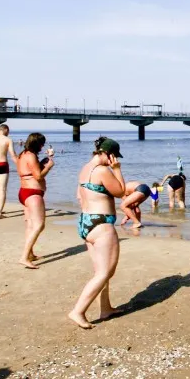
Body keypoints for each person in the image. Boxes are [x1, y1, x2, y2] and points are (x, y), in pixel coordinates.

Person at [70, 137, 125, 329]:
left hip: (87, 222)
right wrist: (117, 170)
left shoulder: (85, 168)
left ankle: (105, 307)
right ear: (108, 154)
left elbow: (79, 195)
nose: (114, 161)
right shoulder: (103, 170)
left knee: (101, 270)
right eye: (114, 157)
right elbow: (120, 192)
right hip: (101, 224)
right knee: (105, 271)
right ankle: (78, 311)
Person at [16, 132, 54, 269]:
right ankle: (24, 257)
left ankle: (30, 254)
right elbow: (38, 176)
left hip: (25, 192)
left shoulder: (23, 154)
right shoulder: (31, 156)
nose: (42, 146)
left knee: (31, 225)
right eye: (41, 143)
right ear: (37, 143)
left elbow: (33, 170)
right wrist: (49, 166)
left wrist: (46, 159)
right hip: (33, 194)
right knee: (39, 225)